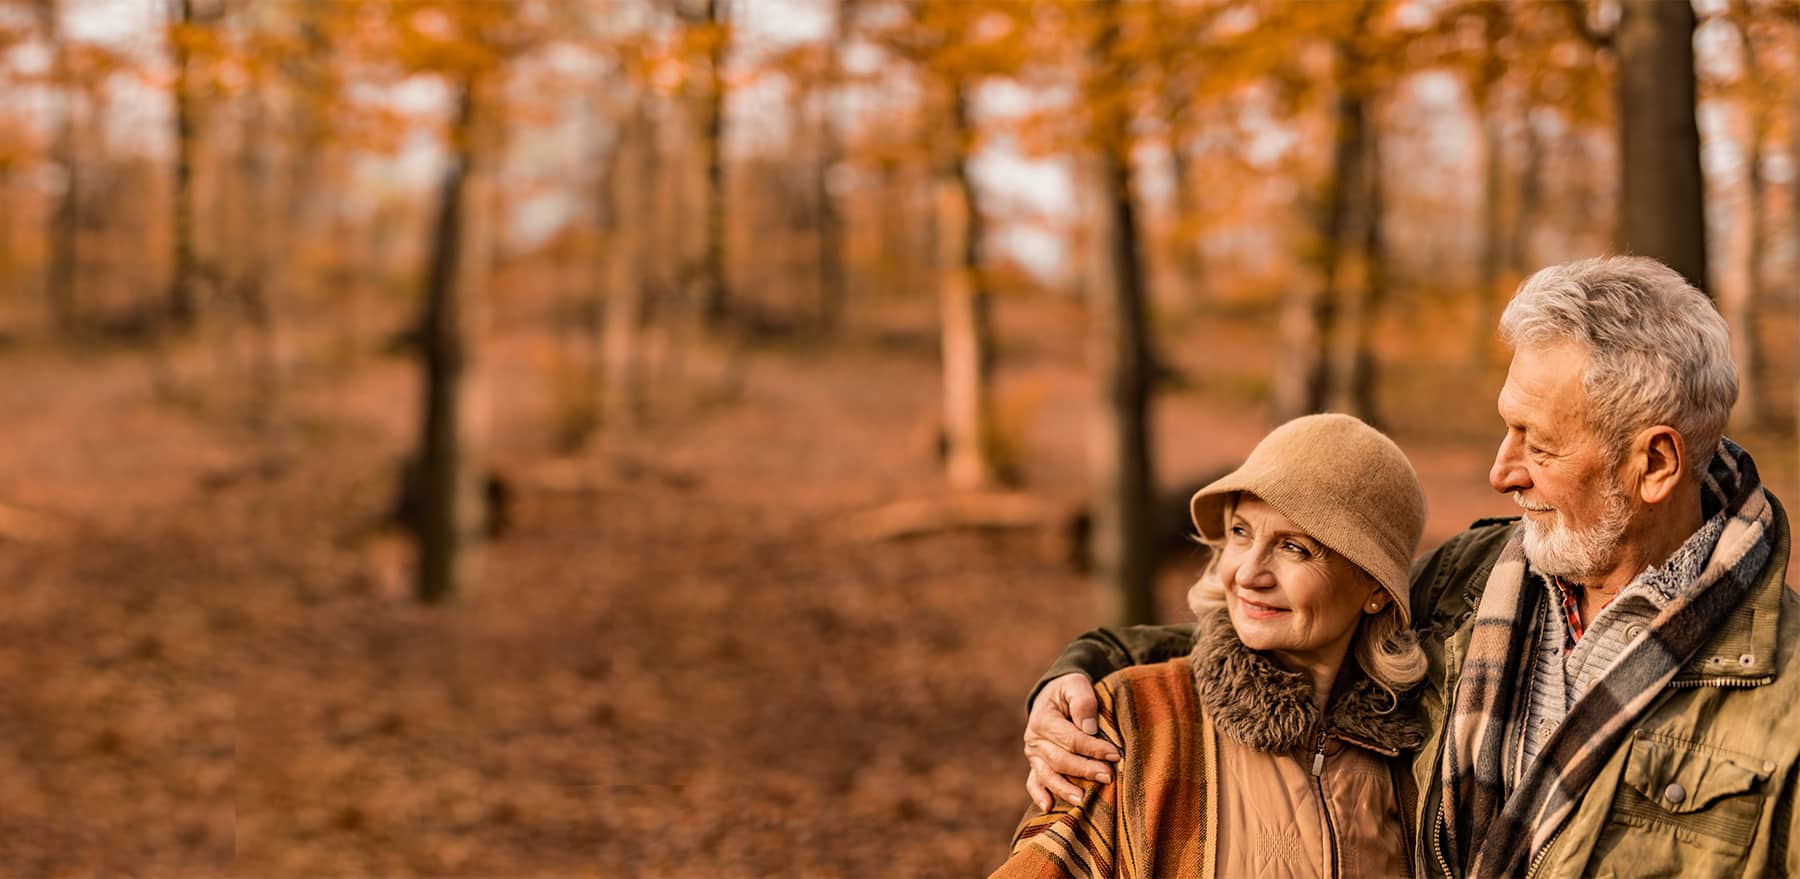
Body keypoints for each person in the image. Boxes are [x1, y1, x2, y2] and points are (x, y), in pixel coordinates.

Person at [1020, 256, 1800, 878]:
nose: (1502, 472)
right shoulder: (1470, 582)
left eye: (1537, 441)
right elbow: (1286, 628)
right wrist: (1080, 671)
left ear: (1656, 462)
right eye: (1506, 427)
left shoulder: (1786, 697)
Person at [992, 412, 1428, 878]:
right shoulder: (1131, 720)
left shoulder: (1417, 763)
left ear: (1377, 589)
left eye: (1294, 548)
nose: (1247, 573)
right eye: (1241, 533)